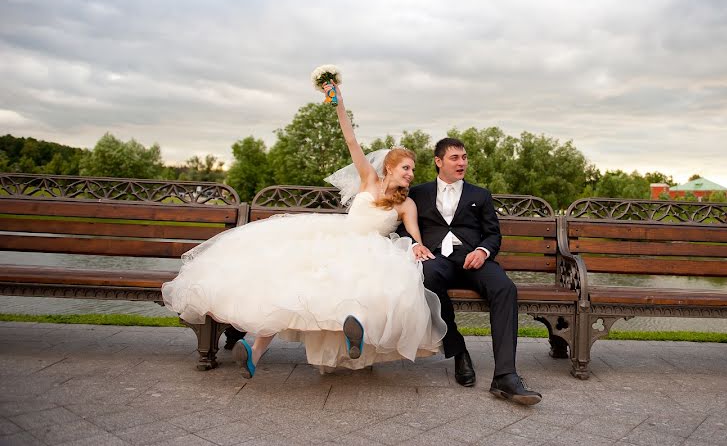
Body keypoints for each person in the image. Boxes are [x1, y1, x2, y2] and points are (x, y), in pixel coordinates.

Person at [162, 82, 446, 377]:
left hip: (371, 249)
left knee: (366, 282)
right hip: (338, 238)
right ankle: (254, 353)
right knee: (292, 283)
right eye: (407, 168)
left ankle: (356, 335)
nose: (412, 174)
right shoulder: (368, 180)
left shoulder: (406, 204)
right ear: (390, 168)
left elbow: (415, 235)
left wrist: (417, 245)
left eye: (412, 170)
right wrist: (338, 102)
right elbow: (350, 140)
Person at [400, 138, 542, 405]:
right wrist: (414, 245)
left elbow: (493, 235)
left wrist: (482, 252)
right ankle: (458, 350)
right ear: (438, 161)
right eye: (455, 158)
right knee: (426, 277)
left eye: (464, 157)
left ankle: (506, 376)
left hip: (472, 261)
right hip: (436, 260)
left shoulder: (481, 195)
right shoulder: (417, 193)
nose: (462, 162)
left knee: (505, 287)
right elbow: (401, 227)